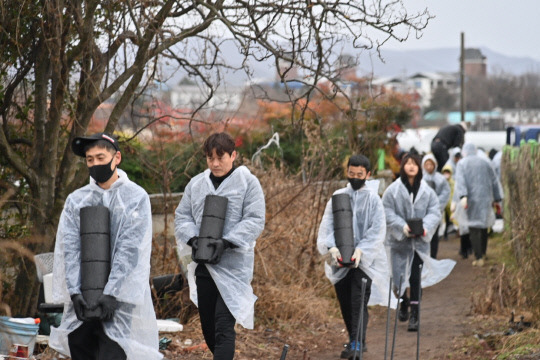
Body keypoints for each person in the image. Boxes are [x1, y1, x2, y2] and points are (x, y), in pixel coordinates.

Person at [50, 133, 162, 360]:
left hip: (117, 303)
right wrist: (74, 293)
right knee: (83, 351)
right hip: (84, 299)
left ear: (116, 157)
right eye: (89, 160)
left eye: (100, 157)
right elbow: (69, 249)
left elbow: (130, 250)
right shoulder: (77, 200)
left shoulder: (135, 197)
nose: (95, 164)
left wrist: (112, 293)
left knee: (112, 354)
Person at [174, 132, 265, 360]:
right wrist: (194, 239)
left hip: (233, 268)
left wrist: (226, 242)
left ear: (233, 155)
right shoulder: (196, 184)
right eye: (210, 158)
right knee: (209, 328)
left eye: (220, 157)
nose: (215, 163)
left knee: (224, 327)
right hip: (204, 266)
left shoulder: (248, 184)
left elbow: (255, 219)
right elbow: (182, 216)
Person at [317, 155, 396, 359]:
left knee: (358, 300)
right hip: (340, 260)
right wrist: (332, 248)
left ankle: (357, 343)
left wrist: (360, 251)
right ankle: (355, 339)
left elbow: (377, 230)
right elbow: (328, 225)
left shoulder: (373, 200)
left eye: (359, 175)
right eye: (351, 174)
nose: (354, 178)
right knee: (344, 301)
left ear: (368, 175)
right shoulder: (338, 196)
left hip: (365, 261)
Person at [382, 153, 456, 332]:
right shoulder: (393, 190)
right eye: (407, 163)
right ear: (403, 167)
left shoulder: (427, 191)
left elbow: (434, 211)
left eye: (414, 163)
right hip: (399, 242)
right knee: (398, 278)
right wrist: (402, 226)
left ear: (419, 167)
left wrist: (425, 227)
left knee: (415, 278)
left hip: (419, 243)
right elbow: (387, 210)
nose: (411, 166)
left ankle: (415, 314)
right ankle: (403, 302)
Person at [454, 143, 502, 266]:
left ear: (464, 151)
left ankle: (478, 256)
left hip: (470, 200)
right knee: (483, 226)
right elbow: (494, 180)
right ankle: (483, 253)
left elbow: (460, 181)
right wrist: (497, 197)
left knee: (474, 227)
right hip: (485, 199)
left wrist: (463, 196)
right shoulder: (485, 162)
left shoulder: (462, 163)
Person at [421, 154, 450, 258]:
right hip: (422, 213)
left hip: (436, 212)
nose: (429, 167)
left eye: (431, 164)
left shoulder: (440, 179)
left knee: (434, 235)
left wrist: (436, 204)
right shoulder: (420, 178)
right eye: (426, 164)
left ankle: (433, 256)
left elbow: (445, 193)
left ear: (435, 165)